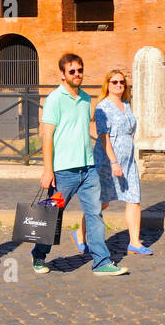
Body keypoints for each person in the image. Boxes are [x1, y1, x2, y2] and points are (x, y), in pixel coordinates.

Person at [31, 53, 128, 277]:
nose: (77, 74)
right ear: (63, 74)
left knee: (95, 214)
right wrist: (47, 170)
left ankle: (101, 261)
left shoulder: (85, 98)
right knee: (52, 215)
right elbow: (47, 136)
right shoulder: (54, 99)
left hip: (88, 168)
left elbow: (87, 130)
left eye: (80, 70)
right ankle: (39, 253)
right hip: (63, 171)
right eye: (72, 71)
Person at [74, 69, 152, 256]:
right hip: (107, 162)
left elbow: (129, 129)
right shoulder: (103, 107)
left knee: (134, 199)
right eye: (115, 82)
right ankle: (80, 233)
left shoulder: (126, 104)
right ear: (107, 84)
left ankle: (134, 242)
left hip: (128, 162)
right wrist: (114, 161)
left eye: (122, 82)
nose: (118, 85)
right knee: (101, 202)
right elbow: (104, 137)